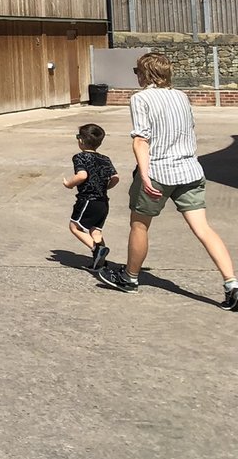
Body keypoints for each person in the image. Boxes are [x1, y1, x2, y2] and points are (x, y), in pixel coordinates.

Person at [97, 52, 238, 309]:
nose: (136, 76)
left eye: (137, 71)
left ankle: (130, 278)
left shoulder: (141, 98)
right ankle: (232, 284)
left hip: (159, 172)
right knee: (203, 229)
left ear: (145, 73)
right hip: (190, 171)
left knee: (139, 226)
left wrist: (144, 174)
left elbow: (141, 139)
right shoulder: (182, 96)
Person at [63, 123, 119, 269]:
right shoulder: (105, 159)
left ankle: (97, 249)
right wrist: (104, 187)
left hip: (88, 199)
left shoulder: (80, 157)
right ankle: (100, 263)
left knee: (74, 227)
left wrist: (69, 184)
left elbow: (82, 175)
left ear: (81, 140)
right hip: (103, 202)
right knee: (95, 230)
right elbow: (115, 178)